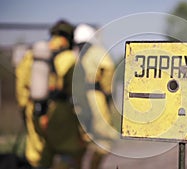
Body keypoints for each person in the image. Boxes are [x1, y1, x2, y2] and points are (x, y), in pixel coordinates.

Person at [16, 20, 87, 169]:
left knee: (38, 157)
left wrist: (26, 110)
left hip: (34, 111)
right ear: (69, 37)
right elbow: (79, 93)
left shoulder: (31, 56)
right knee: (68, 153)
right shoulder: (70, 59)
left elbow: (21, 88)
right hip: (59, 112)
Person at [73, 23, 116, 169]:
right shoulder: (96, 51)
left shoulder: (76, 55)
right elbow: (108, 67)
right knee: (104, 140)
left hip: (79, 99)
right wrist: (107, 89)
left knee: (82, 140)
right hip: (95, 97)